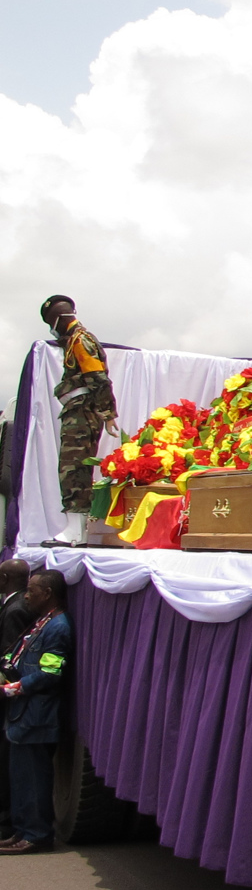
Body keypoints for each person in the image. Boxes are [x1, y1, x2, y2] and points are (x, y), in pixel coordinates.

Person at [2, 569, 71, 855]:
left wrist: (11, 689)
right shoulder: (42, 622)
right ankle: (21, 831)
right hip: (22, 717)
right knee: (20, 779)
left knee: (33, 781)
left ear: (48, 594)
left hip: (37, 718)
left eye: (32, 591)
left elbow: (50, 673)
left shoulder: (58, 627)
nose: (27, 596)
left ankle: (37, 835)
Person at [40, 296, 117, 547]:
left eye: (51, 323)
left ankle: (75, 533)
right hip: (78, 412)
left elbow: (98, 378)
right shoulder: (74, 341)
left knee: (74, 470)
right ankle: (75, 530)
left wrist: (108, 413)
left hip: (82, 413)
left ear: (58, 320)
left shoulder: (81, 340)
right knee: (72, 470)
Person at [0, 559, 30, 843]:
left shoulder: (16, 609)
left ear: (5, 578)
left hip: (9, 698)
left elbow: (11, 660)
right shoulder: (14, 605)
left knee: (5, 760)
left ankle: (6, 821)